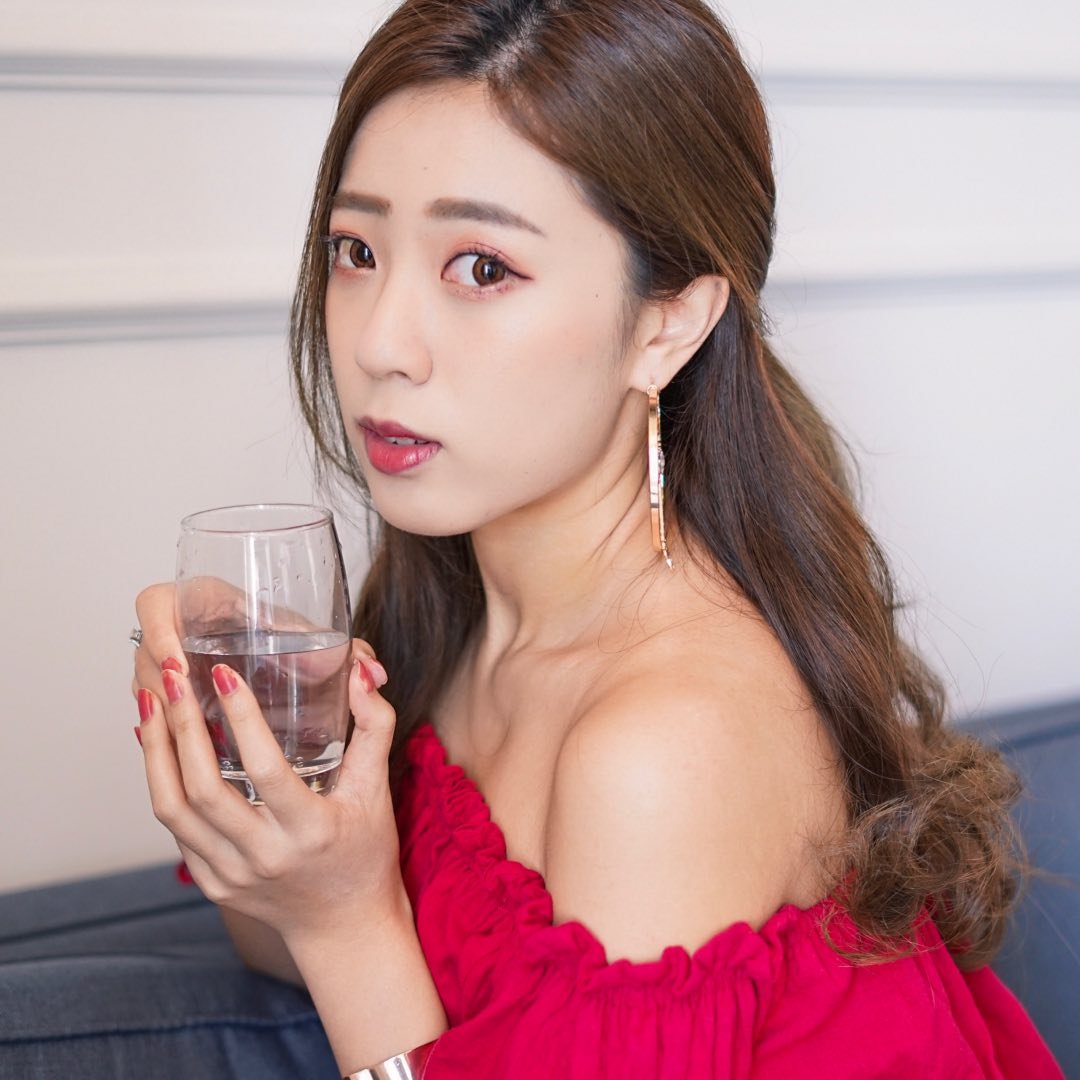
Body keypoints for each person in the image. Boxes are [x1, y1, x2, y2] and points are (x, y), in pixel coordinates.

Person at [119, 1, 1062, 1077]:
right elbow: (313, 948)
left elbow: (346, 947)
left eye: (482, 268)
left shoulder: (661, 749)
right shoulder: (451, 611)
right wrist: (256, 793)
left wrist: (344, 922)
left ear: (668, 323)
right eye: (356, 249)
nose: (380, 342)